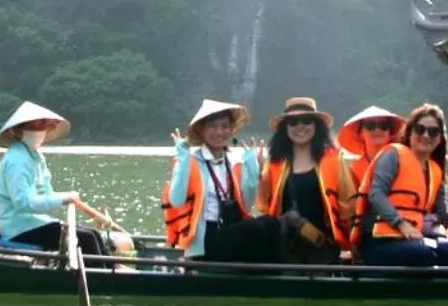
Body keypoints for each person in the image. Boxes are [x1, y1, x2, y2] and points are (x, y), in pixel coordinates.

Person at [360, 103, 448, 267]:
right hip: (379, 239)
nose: (426, 135)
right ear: (410, 132)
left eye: (433, 131)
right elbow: (376, 193)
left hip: (415, 239)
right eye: (420, 129)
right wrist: (401, 224)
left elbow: (442, 220)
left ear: (439, 138)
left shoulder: (435, 171)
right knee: (421, 254)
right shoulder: (393, 155)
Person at [0, 100, 114, 256]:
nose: (40, 131)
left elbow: (46, 194)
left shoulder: (36, 157)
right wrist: (63, 198)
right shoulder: (17, 159)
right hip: (18, 228)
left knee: (93, 234)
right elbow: (23, 202)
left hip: (34, 223)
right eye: (35, 126)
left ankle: (111, 268)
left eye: (43, 126)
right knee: (86, 239)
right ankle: (101, 271)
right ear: (16, 130)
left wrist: (66, 197)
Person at [163, 99, 281, 262]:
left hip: (230, 229)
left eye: (225, 126)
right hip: (205, 239)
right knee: (257, 228)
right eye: (212, 126)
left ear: (231, 130)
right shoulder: (190, 162)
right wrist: (183, 157)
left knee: (272, 224)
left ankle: (272, 273)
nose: (219, 132)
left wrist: (253, 168)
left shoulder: (233, 163)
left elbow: (247, 205)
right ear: (202, 130)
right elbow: (177, 200)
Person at [254, 97, 357, 262]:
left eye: (307, 121)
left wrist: (351, 248)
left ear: (317, 126)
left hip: (323, 246)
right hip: (284, 244)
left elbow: (349, 206)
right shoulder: (274, 163)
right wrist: (259, 174)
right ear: (285, 128)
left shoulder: (334, 159)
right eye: (293, 122)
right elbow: (263, 207)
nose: (300, 127)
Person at [338, 104, 408, 196]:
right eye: (370, 125)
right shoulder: (353, 170)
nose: (377, 130)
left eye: (383, 125)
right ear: (361, 133)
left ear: (389, 132)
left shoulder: (402, 162)